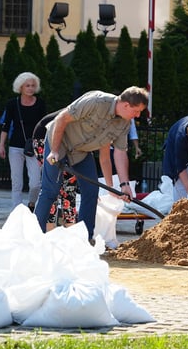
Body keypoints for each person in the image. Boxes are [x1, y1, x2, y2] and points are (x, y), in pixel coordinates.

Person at [34, 86, 149, 241]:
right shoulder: (96, 101)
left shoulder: (124, 124)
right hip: (59, 142)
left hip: (81, 151)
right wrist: (54, 151)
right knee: (51, 190)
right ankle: (34, 236)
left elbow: (117, 153)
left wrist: (123, 184)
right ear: (126, 105)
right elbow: (62, 118)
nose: (138, 115)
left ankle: (85, 238)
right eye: (137, 111)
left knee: (91, 190)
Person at [0, 72, 47, 211]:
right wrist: (1, 145)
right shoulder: (12, 104)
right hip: (15, 147)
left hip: (34, 147)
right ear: (20, 87)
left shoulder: (40, 104)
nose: (31, 88)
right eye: (27, 86)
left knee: (35, 183)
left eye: (33, 85)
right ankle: (16, 211)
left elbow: (44, 126)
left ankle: (32, 204)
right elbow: (6, 125)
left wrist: (43, 146)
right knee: (16, 182)